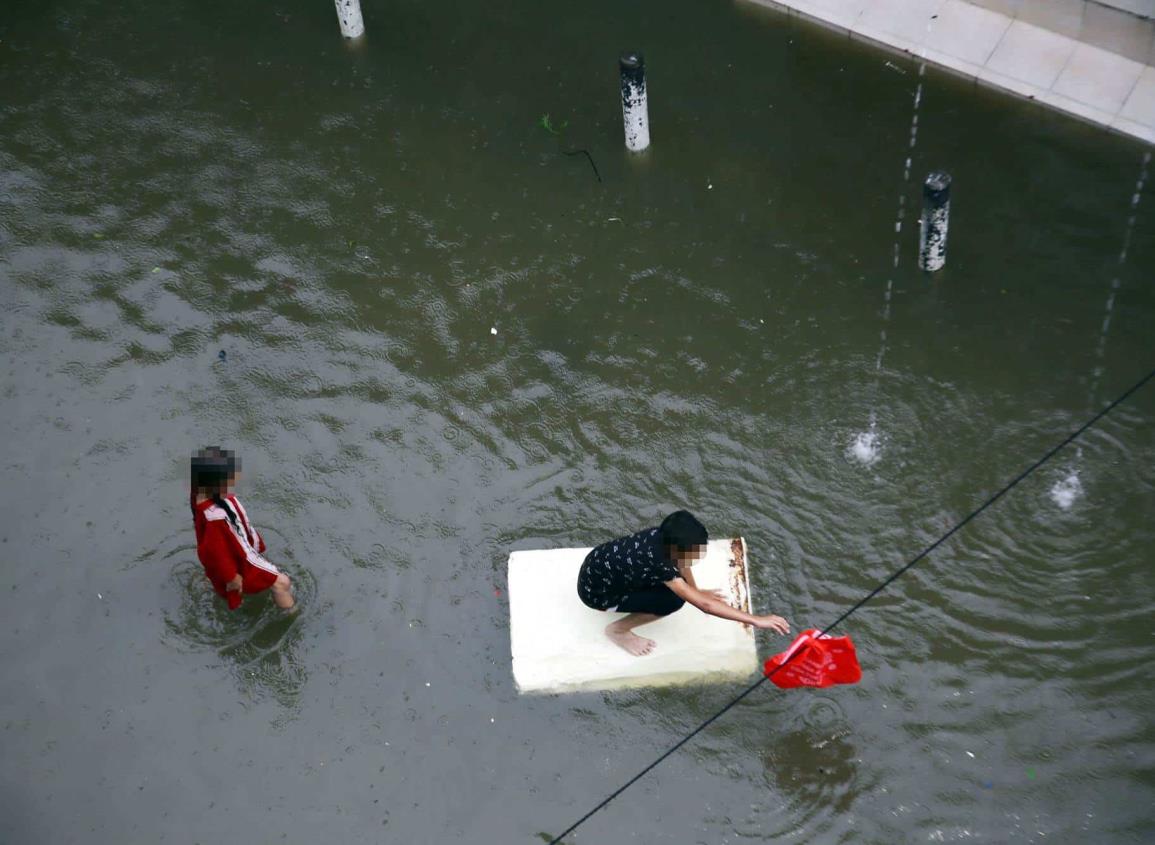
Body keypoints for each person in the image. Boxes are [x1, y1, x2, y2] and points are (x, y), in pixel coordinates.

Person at [577, 510, 789, 656]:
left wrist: (696, 591)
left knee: (681, 589)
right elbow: (704, 606)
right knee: (673, 601)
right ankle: (618, 631)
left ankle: (627, 615)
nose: (695, 556)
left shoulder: (661, 536)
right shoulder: (661, 564)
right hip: (596, 593)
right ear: (675, 550)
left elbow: (682, 564)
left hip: (598, 567)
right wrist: (757, 620)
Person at [189, 447, 295, 611]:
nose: (234, 479)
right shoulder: (215, 518)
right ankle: (292, 616)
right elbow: (216, 550)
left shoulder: (199, 494)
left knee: (219, 577)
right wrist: (232, 577)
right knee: (282, 583)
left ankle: (214, 581)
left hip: (226, 558)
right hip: (234, 564)